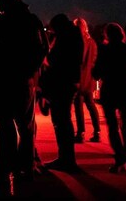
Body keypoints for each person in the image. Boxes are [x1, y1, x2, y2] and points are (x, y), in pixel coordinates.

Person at [0, 0, 48, 188]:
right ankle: (25, 169)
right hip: (24, 81)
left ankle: (4, 169)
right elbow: (43, 48)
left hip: (2, 80)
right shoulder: (31, 20)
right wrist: (30, 70)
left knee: (3, 127)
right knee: (25, 128)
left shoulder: (1, 20)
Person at [92, 22, 126, 173]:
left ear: (107, 35)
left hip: (109, 91)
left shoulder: (104, 50)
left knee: (112, 127)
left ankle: (119, 158)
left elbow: (96, 73)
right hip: (125, 90)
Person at [38, 13, 83, 173]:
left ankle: (66, 159)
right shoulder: (74, 35)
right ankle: (66, 158)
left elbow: (54, 60)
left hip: (61, 84)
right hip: (68, 83)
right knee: (64, 121)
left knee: (61, 122)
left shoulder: (65, 38)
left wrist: (46, 59)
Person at [73, 17, 101, 143]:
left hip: (78, 78)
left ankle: (81, 132)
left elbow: (77, 60)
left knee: (78, 107)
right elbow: (94, 60)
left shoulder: (77, 41)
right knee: (91, 105)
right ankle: (97, 131)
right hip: (89, 79)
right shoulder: (92, 42)